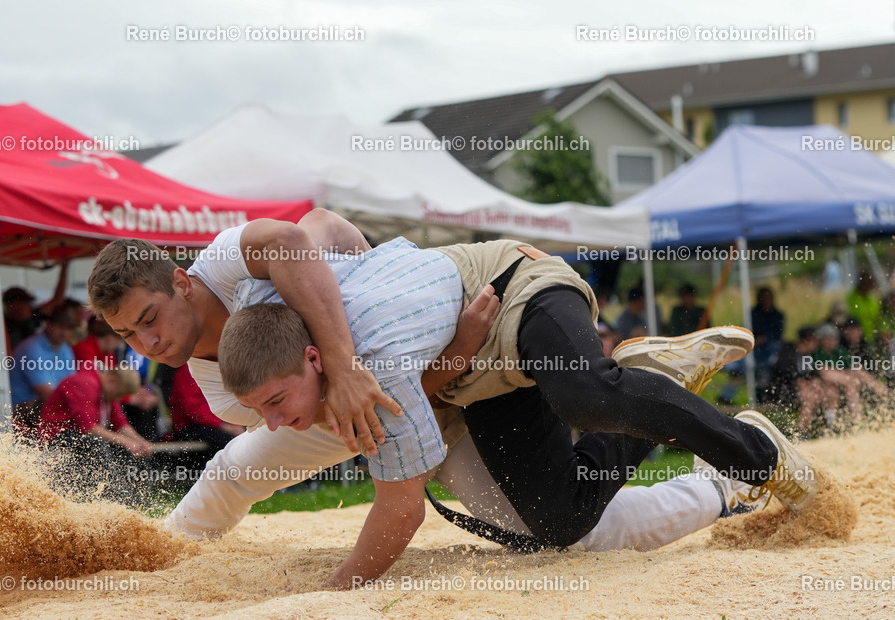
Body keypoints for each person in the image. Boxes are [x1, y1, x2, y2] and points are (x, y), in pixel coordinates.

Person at [89, 211, 820, 587]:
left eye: (149, 318)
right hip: (438, 382)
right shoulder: (226, 389)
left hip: (462, 313)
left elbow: (314, 233)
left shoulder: (236, 261)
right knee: (562, 527)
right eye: (128, 334)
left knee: (583, 412)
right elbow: (379, 415)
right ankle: (153, 552)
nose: (146, 342)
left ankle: (738, 458)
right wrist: (439, 361)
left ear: (182, 280)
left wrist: (357, 345)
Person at [37, 365, 149, 502]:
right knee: (96, 444)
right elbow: (88, 427)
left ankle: (136, 493)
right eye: (119, 394)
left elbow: (120, 423)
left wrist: (140, 442)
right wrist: (127, 442)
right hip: (57, 438)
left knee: (125, 449)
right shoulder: (84, 383)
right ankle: (115, 495)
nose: (118, 398)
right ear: (113, 380)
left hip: (78, 438)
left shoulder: (106, 391)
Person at [9, 300, 79, 429]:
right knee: (69, 410)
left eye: (69, 328)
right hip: (21, 407)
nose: (64, 332)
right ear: (48, 324)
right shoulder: (32, 348)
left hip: (46, 402)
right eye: (60, 326)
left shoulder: (64, 347)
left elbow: (72, 384)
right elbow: (45, 392)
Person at [846, 270, 881, 342]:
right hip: (855, 339)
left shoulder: (873, 299)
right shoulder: (851, 299)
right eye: (868, 284)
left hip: (872, 338)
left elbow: (877, 318)